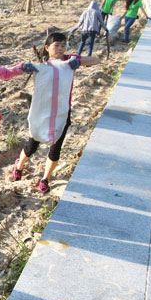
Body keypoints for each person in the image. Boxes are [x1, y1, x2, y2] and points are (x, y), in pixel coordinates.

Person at [11, 32, 101, 194]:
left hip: (61, 113)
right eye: (56, 45)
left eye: (62, 45)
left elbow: (96, 60)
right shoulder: (42, 66)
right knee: (32, 145)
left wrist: (78, 61)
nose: (60, 49)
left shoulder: (69, 61)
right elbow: (19, 67)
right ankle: (19, 166)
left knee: (55, 148)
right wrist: (26, 67)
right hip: (42, 112)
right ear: (47, 48)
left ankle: (45, 179)